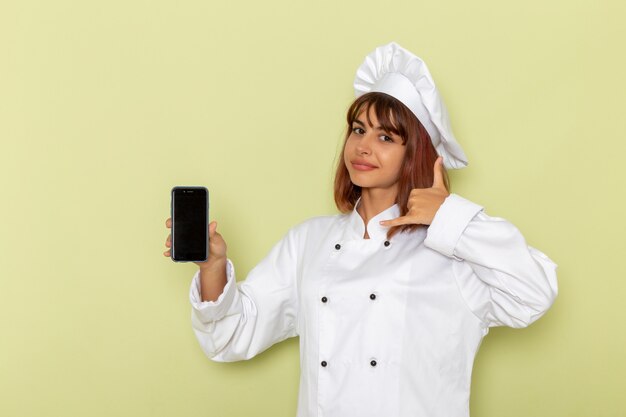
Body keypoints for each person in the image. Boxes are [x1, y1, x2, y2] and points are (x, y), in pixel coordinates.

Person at [163, 42, 558, 417]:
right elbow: (232, 335)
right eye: (358, 129)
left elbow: (534, 294)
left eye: (386, 136)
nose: (363, 146)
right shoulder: (308, 242)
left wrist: (449, 216)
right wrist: (212, 267)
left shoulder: (456, 253)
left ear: (415, 154)